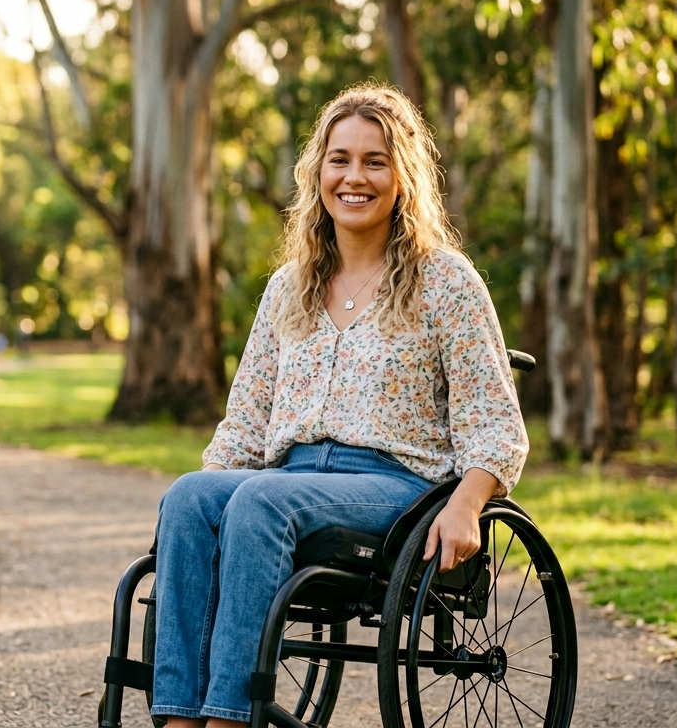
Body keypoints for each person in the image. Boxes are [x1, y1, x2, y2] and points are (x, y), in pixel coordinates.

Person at [150, 84, 529, 728]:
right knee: (189, 497)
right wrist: (203, 516)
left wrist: (467, 505)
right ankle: (181, 719)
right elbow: (245, 421)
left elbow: (495, 422)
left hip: (397, 488)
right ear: (317, 172)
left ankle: (226, 721)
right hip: (292, 476)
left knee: (259, 501)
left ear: (402, 177)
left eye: (375, 161)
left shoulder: (446, 281)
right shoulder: (288, 288)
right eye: (339, 159)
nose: (354, 177)